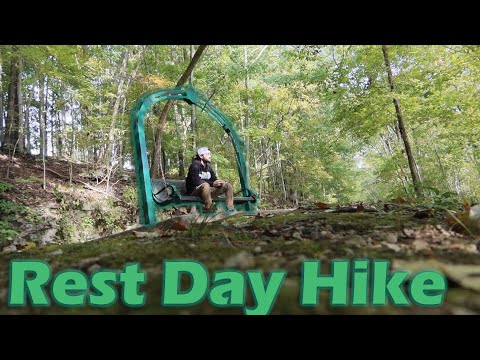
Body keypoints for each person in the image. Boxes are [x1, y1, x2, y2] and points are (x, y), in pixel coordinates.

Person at [186, 147, 234, 212]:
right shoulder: (194, 166)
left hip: (207, 192)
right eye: (208, 154)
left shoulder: (208, 167)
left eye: (210, 154)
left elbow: (214, 179)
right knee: (205, 185)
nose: (210, 156)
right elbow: (195, 181)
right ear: (201, 156)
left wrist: (219, 182)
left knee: (227, 185)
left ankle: (230, 209)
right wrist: (212, 183)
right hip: (195, 192)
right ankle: (209, 209)